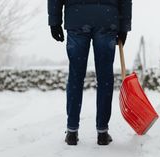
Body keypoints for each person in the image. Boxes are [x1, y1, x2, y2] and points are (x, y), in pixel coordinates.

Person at [48, 0, 132, 145]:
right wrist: (124, 26)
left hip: (77, 18)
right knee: (105, 77)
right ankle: (102, 132)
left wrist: (54, 21)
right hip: (106, 20)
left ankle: (72, 131)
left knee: (75, 76)